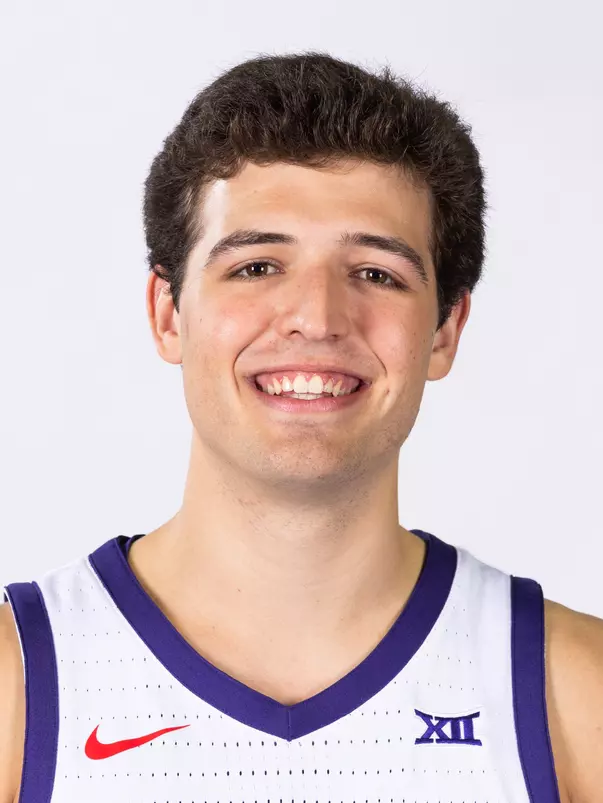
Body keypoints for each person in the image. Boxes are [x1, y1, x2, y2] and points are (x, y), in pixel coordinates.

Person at [0, 51, 601, 803]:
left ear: (445, 329)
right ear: (167, 313)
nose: (316, 318)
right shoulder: (17, 689)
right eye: (256, 266)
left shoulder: (575, 696)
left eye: (376, 273)